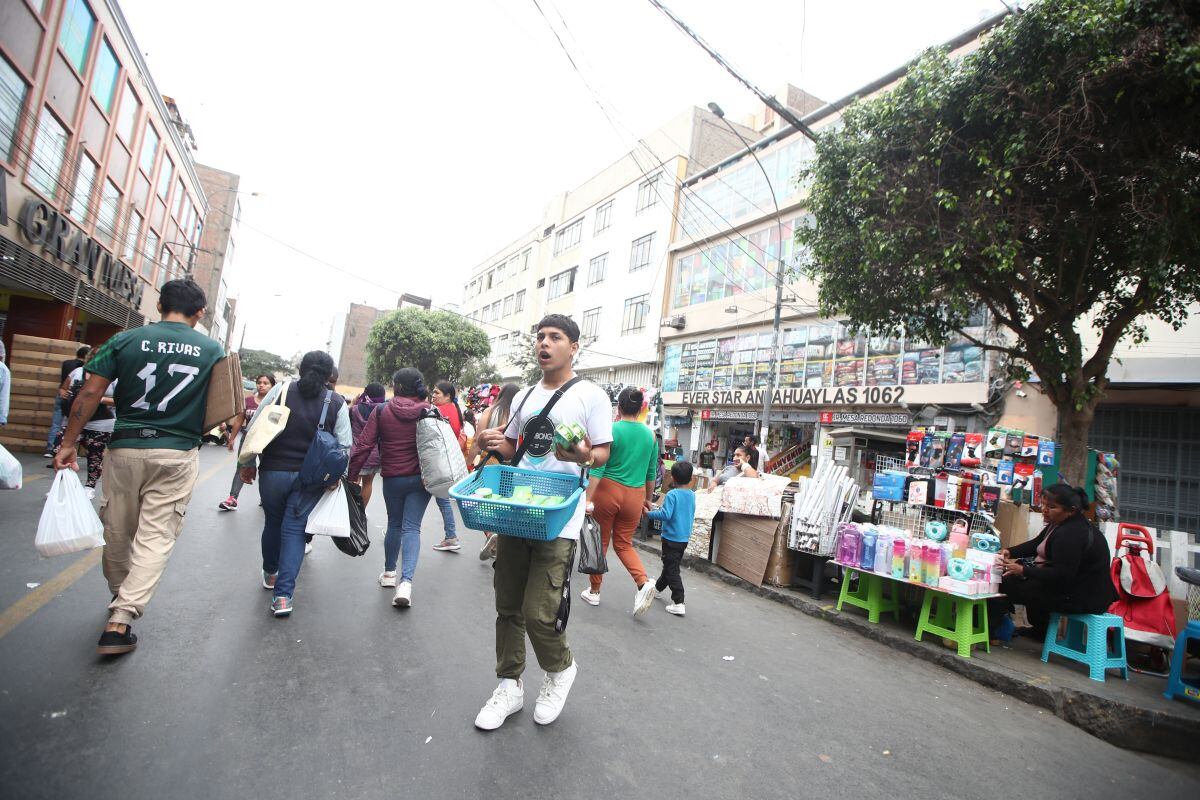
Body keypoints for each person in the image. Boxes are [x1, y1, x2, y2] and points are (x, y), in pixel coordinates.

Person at [53, 280, 223, 656]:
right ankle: (122, 617)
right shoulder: (213, 350)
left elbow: (90, 393)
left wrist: (68, 444)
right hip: (176, 453)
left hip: (125, 447)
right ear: (199, 313)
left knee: (117, 528)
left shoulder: (123, 341)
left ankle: (120, 595)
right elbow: (223, 406)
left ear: (160, 304)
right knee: (156, 535)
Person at [472, 314, 612, 731]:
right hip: (517, 508)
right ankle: (510, 685)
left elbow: (603, 453)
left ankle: (560, 669)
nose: (544, 344)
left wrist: (583, 455)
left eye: (554, 337)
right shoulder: (525, 396)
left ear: (573, 347)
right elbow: (516, 444)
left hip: (559, 518)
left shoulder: (591, 395)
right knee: (507, 605)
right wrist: (492, 442)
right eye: (540, 337)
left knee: (538, 612)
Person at [239, 351, 351, 617]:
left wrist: (245, 464)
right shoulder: (336, 402)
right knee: (295, 533)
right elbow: (345, 445)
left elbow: (254, 426)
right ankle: (282, 597)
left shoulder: (281, 390)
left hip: (273, 472)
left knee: (273, 523)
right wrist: (335, 476)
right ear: (329, 376)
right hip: (310, 480)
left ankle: (270, 572)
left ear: (301, 368)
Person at [987, 483, 1117, 640]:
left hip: (1082, 597)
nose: (1044, 509)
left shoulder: (1072, 533)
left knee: (1003, 583)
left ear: (1071, 511)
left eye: (1052, 507)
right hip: (1070, 588)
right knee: (1017, 577)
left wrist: (1023, 571)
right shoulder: (1059, 523)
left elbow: (1063, 574)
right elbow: (1037, 544)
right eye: (1043, 504)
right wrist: (1009, 551)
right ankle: (1039, 631)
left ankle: (993, 630)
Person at [348, 368, 432, 607]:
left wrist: (352, 474)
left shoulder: (382, 410)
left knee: (394, 523)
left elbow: (364, 444)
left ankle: (388, 574)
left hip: (393, 478)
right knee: (412, 528)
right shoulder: (427, 411)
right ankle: (405, 584)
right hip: (421, 479)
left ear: (396, 386)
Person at [579, 387, 658, 615]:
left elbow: (598, 469)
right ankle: (643, 583)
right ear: (641, 409)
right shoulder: (651, 436)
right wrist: (647, 500)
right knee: (624, 544)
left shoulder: (612, 430)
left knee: (600, 542)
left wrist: (588, 498)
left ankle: (594, 592)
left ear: (619, 407)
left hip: (608, 491)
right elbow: (651, 473)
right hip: (635, 495)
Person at [52, 353, 117, 498]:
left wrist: (98, 399)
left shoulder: (114, 377)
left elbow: (119, 400)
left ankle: (89, 486)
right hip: (74, 419)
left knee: (95, 455)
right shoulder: (78, 372)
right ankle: (61, 484)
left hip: (100, 422)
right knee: (60, 448)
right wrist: (66, 394)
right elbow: (63, 388)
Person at [467, 382, 519, 560]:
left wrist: (467, 462)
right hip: (512, 466)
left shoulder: (489, 411)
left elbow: (476, 441)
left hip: (490, 463)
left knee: (484, 502)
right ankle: (503, 539)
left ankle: (490, 534)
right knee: (506, 503)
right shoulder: (518, 413)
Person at [645, 461, 697, 617]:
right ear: (691, 478)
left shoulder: (672, 495)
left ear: (673, 477)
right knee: (669, 565)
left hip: (670, 538)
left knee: (672, 568)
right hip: (683, 538)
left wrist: (648, 513)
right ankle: (658, 589)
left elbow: (665, 515)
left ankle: (679, 601)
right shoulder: (692, 494)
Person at [218, 373, 275, 511]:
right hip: (248, 439)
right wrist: (231, 438)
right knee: (242, 467)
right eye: (259, 382)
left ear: (272, 386)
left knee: (266, 470)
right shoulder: (248, 401)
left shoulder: (276, 402)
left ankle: (267, 498)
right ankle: (232, 499)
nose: (261, 385)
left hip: (266, 441)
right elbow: (239, 420)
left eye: (265, 383)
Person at [429, 379, 464, 552]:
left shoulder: (439, 411)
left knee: (439, 500)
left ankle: (451, 536)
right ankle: (450, 536)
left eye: (437, 393)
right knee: (441, 501)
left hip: (437, 465)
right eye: (433, 392)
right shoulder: (454, 410)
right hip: (445, 463)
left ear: (448, 396)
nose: (433, 395)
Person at [43, 345, 90, 457]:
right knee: (73, 425)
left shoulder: (66, 364)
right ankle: (70, 450)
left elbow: (64, 382)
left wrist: (63, 391)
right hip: (74, 399)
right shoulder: (81, 368)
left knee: (57, 424)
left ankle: (51, 449)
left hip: (64, 395)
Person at [348, 383, 387, 508]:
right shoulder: (383, 411)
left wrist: (353, 403)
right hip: (374, 454)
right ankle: (361, 512)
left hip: (356, 453)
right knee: (368, 483)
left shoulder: (354, 410)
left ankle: (350, 512)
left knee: (353, 483)